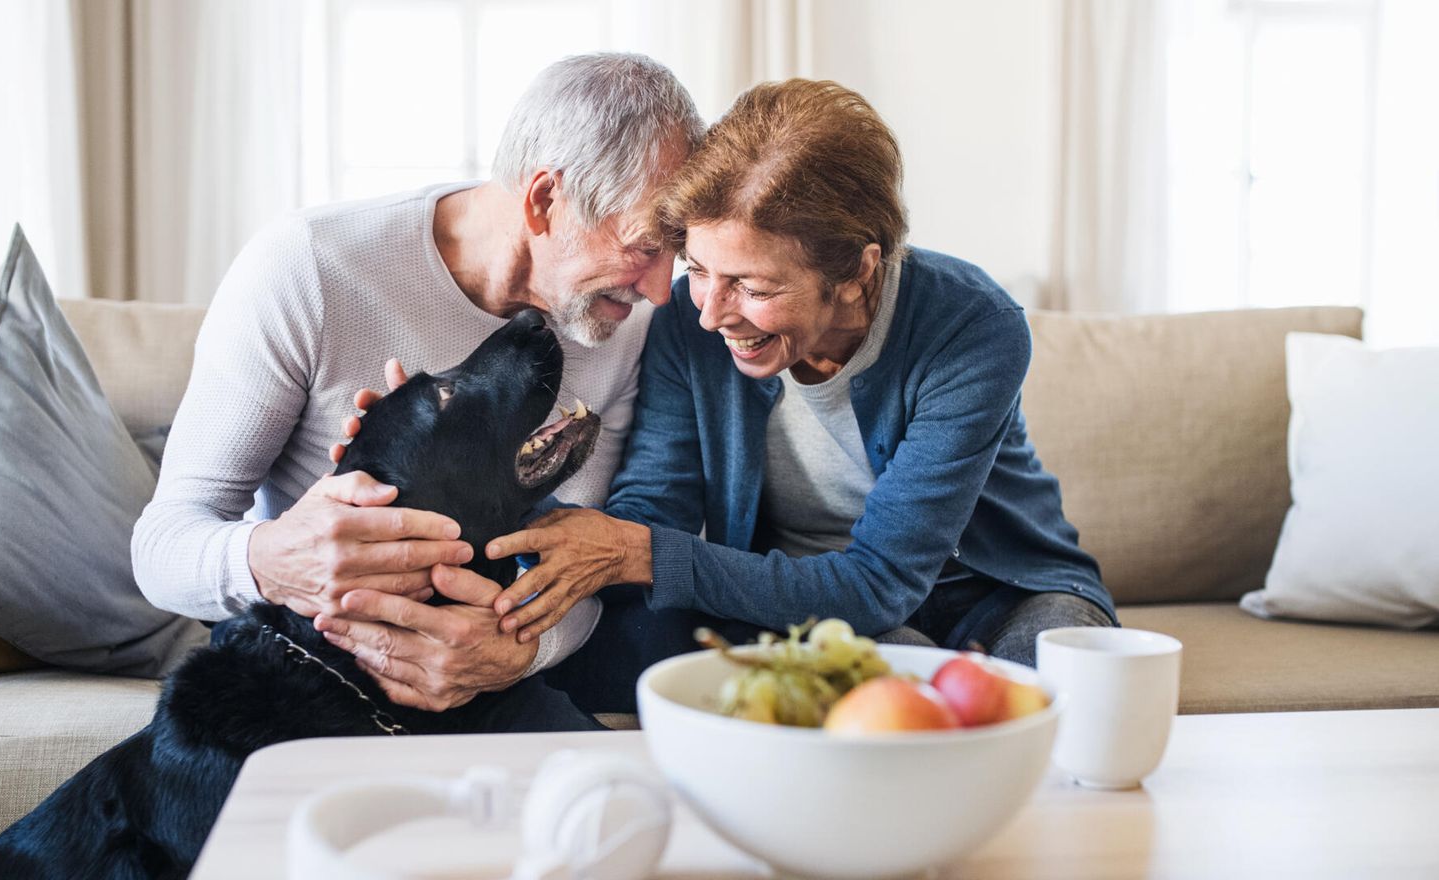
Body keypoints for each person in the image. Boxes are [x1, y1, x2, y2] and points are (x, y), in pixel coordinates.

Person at [472, 79, 1118, 682]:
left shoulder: (971, 326)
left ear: (858, 273)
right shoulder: (686, 326)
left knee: (1062, 687)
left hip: (999, 593)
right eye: (697, 268)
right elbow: (649, 513)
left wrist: (637, 551)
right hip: (794, 602)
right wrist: (493, 493)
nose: (708, 312)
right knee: (880, 690)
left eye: (752, 287)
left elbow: (880, 583)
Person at [132, 53, 704, 721]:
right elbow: (162, 550)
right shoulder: (310, 266)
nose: (663, 290)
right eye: (643, 247)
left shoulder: (622, 320)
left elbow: (579, 562)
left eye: (677, 251)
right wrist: (277, 557)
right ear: (544, 200)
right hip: (307, 660)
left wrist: (523, 648)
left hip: (492, 661)